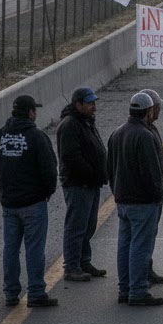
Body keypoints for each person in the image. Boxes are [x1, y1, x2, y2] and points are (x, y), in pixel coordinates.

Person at [0, 95, 58, 308]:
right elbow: (49, 169)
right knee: (34, 248)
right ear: (30, 113)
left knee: (10, 248)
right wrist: (47, 192)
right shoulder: (36, 137)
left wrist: (4, 188)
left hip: (9, 204)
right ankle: (36, 292)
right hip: (33, 203)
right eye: (34, 110)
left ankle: (10, 293)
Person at [107, 92, 163, 307]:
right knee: (140, 247)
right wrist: (159, 194)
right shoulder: (145, 135)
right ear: (148, 111)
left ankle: (125, 288)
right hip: (143, 202)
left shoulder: (117, 133)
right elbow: (152, 172)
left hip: (123, 200)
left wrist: (116, 191)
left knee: (125, 245)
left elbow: (110, 167)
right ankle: (139, 290)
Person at [56, 86, 108, 282]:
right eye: (90, 103)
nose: (94, 107)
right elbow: (71, 157)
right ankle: (71, 266)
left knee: (88, 225)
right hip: (78, 184)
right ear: (78, 104)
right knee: (76, 226)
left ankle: (84, 261)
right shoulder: (70, 125)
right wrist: (92, 172)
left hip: (91, 183)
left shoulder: (86, 122)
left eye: (94, 103)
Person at [140, 89, 163, 285]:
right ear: (150, 109)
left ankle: (146, 269)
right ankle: (139, 276)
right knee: (142, 238)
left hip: (153, 195)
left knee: (149, 236)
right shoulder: (142, 134)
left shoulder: (151, 130)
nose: (159, 111)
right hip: (146, 197)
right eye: (157, 107)